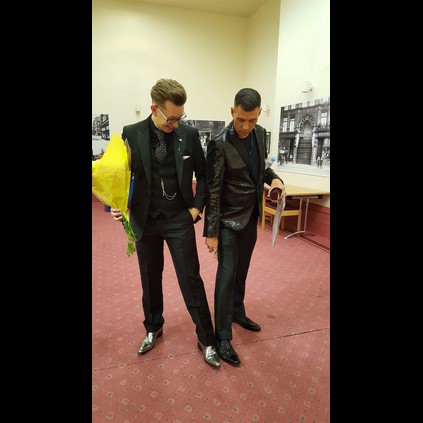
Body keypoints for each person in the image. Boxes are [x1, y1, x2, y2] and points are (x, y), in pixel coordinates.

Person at [110, 78, 220, 368]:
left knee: (191, 279)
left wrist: (197, 209)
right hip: (145, 219)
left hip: (179, 219)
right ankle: (153, 327)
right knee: (150, 278)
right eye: (171, 118)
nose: (175, 123)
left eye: (179, 117)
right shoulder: (131, 133)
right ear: (154, 109)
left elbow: (205, 175)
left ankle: (206, 338)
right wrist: (116, 205)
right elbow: (118, 175)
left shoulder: (189, 134)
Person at [203, 88, 285, 366]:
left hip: (250, 217)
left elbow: (259, 170)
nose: (245, 126)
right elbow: (212, 190)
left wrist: (274, 179)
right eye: (240, 120)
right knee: (226, 276)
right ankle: (222, 335)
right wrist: (211, 232)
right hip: (226, 221)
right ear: (232, 111)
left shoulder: (260, 134)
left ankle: (237, 311)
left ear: (259, 114)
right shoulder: (219, 142)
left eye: (251, 120)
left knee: (241, 272)